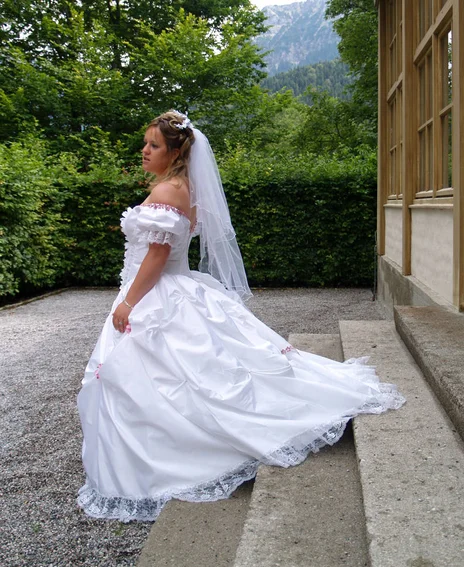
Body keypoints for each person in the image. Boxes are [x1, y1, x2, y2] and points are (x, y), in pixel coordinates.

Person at [77, 110, 405, 522]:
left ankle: (178, 452)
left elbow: (158, 256)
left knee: (173, 376)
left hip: (158, 293)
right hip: (173, 288)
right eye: (145, 143)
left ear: (176, 151)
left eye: (154, 145)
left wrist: (128, 303)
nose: (144, 150)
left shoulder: (168, 192)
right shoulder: (184, 188)